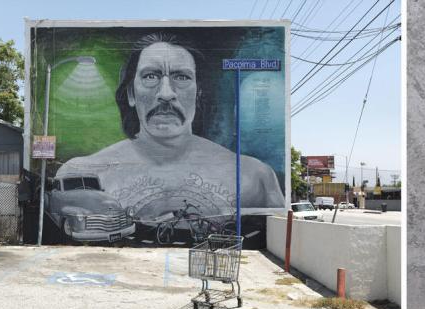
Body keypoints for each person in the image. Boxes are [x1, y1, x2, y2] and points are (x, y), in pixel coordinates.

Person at [56, 33, 284, 221]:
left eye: (181, 77)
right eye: (151, 76)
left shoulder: (254, 177)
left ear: (198, 94)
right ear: (131, 94)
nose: (166, 94)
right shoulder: (83, 173)